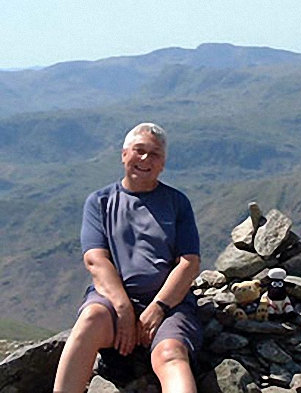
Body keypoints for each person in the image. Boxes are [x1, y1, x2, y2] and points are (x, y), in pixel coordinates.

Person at [54, 123, 201, 393]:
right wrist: (122, 309)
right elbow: (96, 260)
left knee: (171, 354)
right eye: (139, 151)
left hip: (168, 303)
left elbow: (189, 262)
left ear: (163, 163)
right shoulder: (100, 202)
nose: (145, 159)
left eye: (154, 154)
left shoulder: (177, 203)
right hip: (111, 300)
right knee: (89, 322)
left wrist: (158, 308)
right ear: (124, 154)